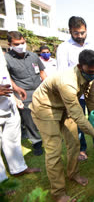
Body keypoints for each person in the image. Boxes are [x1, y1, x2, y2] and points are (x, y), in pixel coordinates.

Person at [30, 49, 94, 202]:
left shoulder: (91, 74)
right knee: (54, 151)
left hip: (64, 106)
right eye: (91, 71)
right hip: (45, 108)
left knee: (74, 143)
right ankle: (58, 193)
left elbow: (89, 100)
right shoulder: (67, 81)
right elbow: (79, 117)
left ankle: (73, 174)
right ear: (80, 66)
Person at [56, 16, 94, 162]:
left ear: (86, 30)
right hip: (74, 91)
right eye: (76, 33)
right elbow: (62, 73)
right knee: (78, 121)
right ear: (70, 31)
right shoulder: (64, 48)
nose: (80, 36)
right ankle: (81, 149)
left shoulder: (91, 44)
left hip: (90, 88)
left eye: (82, 32)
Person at [0, 45, 40, 189]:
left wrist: (15, 89)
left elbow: (4, 73)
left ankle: (18, 169)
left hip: (8, 102)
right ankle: (2, 180)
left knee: (12, 140)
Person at [5, 31, 46, 156]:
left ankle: (49, 136)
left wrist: (48, 86)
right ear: (10, 44)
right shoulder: (6, 59)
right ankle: (37, 142)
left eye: (23, 43)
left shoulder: (33, 56)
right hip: (23, 93)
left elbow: (42, 73)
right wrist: (15, 88)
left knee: (45, 115)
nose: (21, 46)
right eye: (17, 44)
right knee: (29, 120)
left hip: (39, 90)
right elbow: (6, 77)